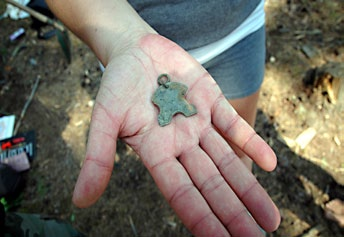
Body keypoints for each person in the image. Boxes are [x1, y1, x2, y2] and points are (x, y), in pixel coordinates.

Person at [45, 0, 281, 236]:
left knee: (236, 146)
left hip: (239, 32)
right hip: (129, 46)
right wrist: (126, 40)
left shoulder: (173, 90)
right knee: (203, 143)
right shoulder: (159, 91)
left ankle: (242, 209)